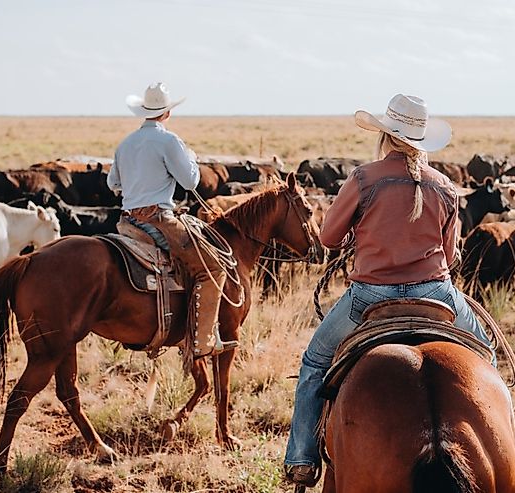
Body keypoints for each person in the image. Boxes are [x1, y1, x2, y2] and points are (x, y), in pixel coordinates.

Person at [283, 94, 494, 487]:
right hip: (437, 293)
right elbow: (449, 254)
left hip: (370, 297)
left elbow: (329, 237)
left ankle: (301, 459)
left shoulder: (364, 178)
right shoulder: (445, 185)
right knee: (488, 355)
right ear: (421, 140)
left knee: (314, 363)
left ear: (386, 135)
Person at [107, 82, 236, 359]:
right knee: (212, 267)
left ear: (143, 111)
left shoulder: (125, 143)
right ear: (166, 113)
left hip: (127, 221)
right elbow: (191, 182)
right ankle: (202, 341)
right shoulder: (169, 141)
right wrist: (189, 159)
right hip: (159, 220)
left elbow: (112, 183)